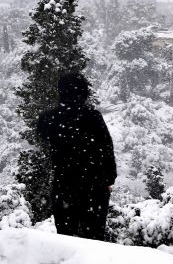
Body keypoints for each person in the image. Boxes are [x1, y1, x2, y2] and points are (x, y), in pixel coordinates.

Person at [36, 72, 117, 240]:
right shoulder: (93, 117)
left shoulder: (47, 119)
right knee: (95, 240)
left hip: (64, 185)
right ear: (84, 92)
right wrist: (109, 179)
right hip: (94, 187)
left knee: (66, 241)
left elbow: (42, 136)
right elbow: (107, 150)